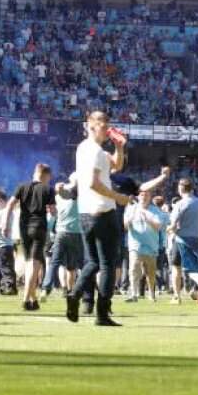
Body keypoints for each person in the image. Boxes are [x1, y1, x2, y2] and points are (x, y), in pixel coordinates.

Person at [65, 112, 133, 327]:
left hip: (85, 212)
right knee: (107, 264)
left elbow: (116, 165)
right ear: (91, 127)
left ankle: (74, 294)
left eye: (107, 126)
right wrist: (118, 196)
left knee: (93, 261)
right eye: (103, 127)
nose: (107, 130)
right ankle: (102, 313)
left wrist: (120, 146)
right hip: (102, 211)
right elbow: (94, 183)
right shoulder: (95, 151)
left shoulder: (85, 148)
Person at [5, 163, 55, 311]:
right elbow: (52, 211)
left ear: (35, 173)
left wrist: (5, 225)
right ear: (46, 176)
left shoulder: (22, 186)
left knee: (29, 263)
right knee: (35, 264)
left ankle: (33, 299)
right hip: (39, 228)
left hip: (23, 229)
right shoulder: (48, 189)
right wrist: (52, 209)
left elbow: (9, 205)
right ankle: (26, 299)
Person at [168, 178, 198, 306]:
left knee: (180, 267)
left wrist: (168, 228)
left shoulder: (180, 204)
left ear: (180, 188)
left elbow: (173, 224)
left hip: (181, 239)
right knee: (194, 264)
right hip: (196, 238)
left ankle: (178, 295)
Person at [124, 190, 163, 302]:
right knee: (134, 269)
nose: (144, 197)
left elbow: (158, 227)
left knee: (150, 272)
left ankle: (151, 294)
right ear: (138, 196)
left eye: (146, 195)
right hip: (135, 245)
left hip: (150, 246)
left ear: (150, 197)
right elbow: (125, 226)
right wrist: (128, 221)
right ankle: (134, 294)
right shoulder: (131, 209)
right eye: (142, 195)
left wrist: (147, 219)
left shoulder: (155, 210)